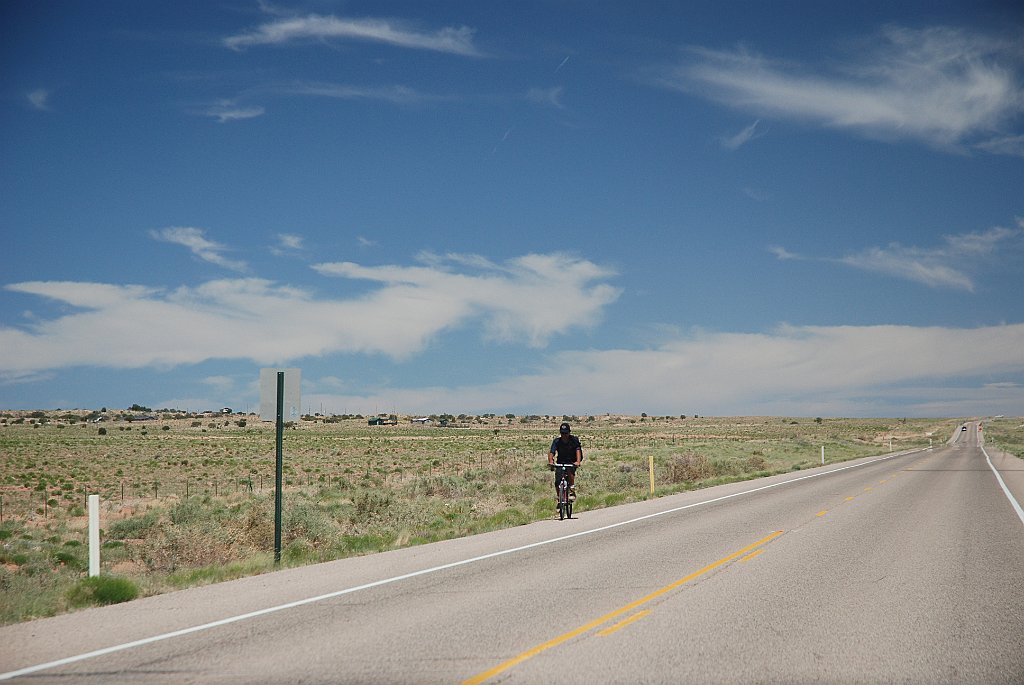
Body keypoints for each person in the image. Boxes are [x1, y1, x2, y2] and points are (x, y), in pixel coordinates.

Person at [548, 422, 582, 504]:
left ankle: (571, 489)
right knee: (557, 481)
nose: (564, 435)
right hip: (561, 461)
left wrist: (577, 461)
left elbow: (578, 450)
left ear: (569, 432)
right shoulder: (557, 441)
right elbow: (552, 452)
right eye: (562, 433)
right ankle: (559, 499)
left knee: (570, 471)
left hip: (572, 461)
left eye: (566, 433)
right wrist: (551, 461)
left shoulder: (574, 440)